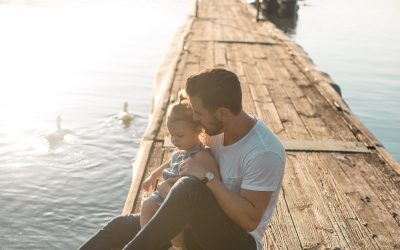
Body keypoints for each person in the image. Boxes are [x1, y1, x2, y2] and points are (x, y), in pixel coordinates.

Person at [79, 68, 286, 250]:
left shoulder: (264, 152)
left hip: (236, 242)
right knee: (120, 227)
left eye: (199, 113)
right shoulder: (215, 129)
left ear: (222, 113)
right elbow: (184, 154)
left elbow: (250, 220)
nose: (195, 119)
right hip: (196, 224)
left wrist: (207, 178)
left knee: (188, 188)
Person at [140, 95, 220, 249]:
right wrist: (152, 176)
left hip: (185, 200)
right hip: (167, 194)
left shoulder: (201, 155)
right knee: (147, 205)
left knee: (173, 219)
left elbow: (214, 180)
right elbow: (167, 164)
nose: (175, 140)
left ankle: (179, 247)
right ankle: (147, 242)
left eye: (180, 135)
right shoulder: (180, 151)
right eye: (172, 135)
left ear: (197, 131)